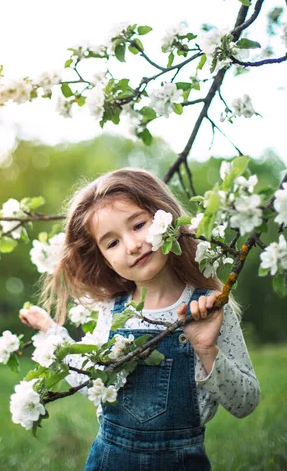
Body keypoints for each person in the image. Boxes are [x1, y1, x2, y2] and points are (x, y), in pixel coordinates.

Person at [19, 168, 260, 470]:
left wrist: (206, 350)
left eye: (138, 225)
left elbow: (246, 402)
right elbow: (88, 377)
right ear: (103, 259)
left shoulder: (208, 309)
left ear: (166, 217)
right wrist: (53, 332)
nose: (132, 245)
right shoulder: (113, 311)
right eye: (112, 243)